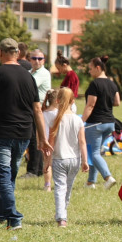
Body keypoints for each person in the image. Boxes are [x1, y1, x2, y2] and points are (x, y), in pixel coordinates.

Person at [0, 38, 52, 230]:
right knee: (10, 176)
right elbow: (38, 110)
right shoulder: (29, 77)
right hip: (24, 134)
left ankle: (14, 217)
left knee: (3, 177)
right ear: (17, 54)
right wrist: (43, 138)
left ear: (1, 53)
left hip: (0, 133)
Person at [44, 88, 87, 227]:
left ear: (57, 101)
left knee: (60, 188)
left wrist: (47, 162)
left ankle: (61, 217)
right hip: (74, 159)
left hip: (59, 159)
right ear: (73, 101)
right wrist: (85, 161)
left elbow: (51, 144)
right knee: (67, 188)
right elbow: (82, 142)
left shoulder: (55, 120)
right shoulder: (78, 120)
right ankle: (63, 213)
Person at [82, 56, 120, 189]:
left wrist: (81, 122)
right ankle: (90, 182)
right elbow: (117, 102)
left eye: (90, 69)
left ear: (98, 68)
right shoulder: (112, 83)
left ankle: (108, 177)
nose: (89, 71)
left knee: (94, 153)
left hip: (95, 124)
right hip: (110, 123)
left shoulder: (95, 84)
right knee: (95, 150)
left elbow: (90, 105)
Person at [24, 49, 52, 180]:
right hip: (31, 110)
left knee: (35, 140)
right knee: (32, 139)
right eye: (34, 58)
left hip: (38, 110)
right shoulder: (29, 72)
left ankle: (34, 170)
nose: (37, 61)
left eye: (40, 59)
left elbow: (28, 86)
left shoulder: (43, 73)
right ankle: (36, 169)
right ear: (30, 60)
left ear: (44, 61)